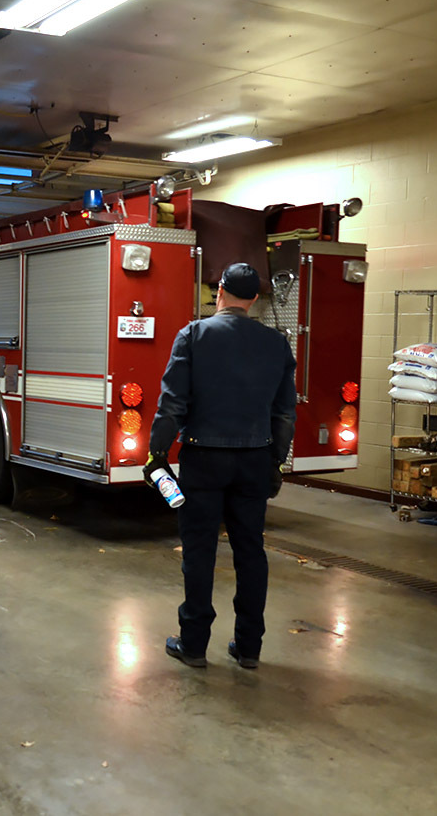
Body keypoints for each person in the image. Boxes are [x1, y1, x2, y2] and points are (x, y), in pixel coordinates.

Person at [147, 263, 297, 669]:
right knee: (251, 552)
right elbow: (284, 414)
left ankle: (193, 645)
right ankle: (249, 648)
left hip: (203, 459)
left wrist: (157, 454)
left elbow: (172, 404)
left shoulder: (193, 335)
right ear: (252, 300)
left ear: (220, 293)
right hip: (254, 459)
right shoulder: (277, 344)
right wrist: (275, 463)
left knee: (200, 552)